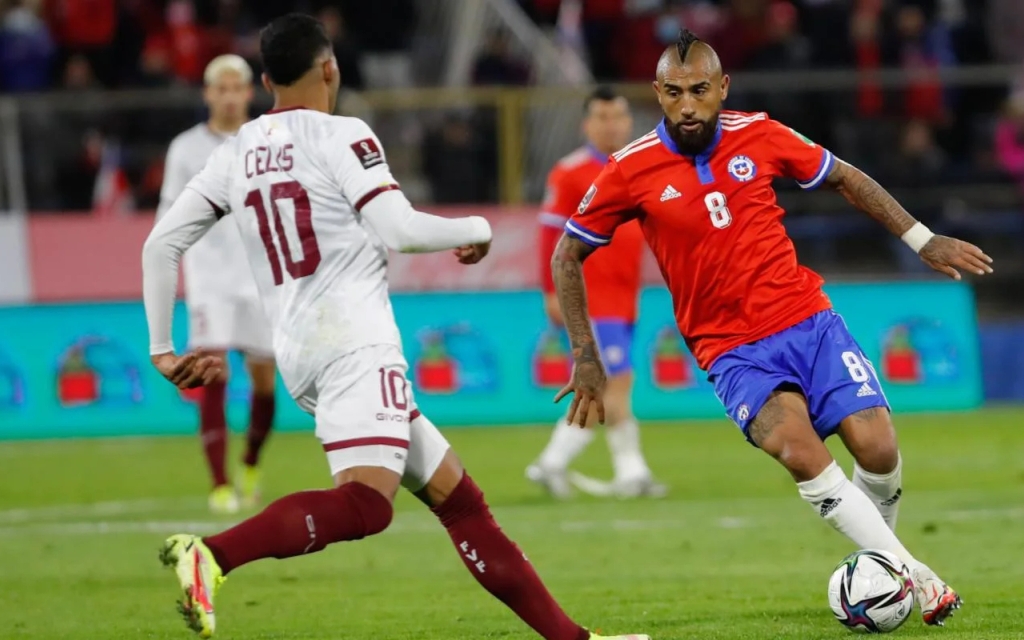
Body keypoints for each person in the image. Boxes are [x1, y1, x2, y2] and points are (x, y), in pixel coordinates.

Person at [142, 14, 647, 640]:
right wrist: (477, 228)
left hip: (300, 348)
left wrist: (162, 350)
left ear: (265, 81)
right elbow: (400, 229)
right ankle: (212, 555)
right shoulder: (343, 134)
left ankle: (574, 639)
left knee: (460, 501)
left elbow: (160, 245)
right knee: (366, 505)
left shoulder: (235, 151)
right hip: (355, 343)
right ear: (330, 68)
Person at [551, 30, 992, 627]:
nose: (687, 105)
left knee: (879, 449)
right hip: (729, 348)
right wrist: (584, 353)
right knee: (797, 448)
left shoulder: (759, 133)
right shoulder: (630, 168)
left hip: (806, 320)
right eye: (675, 93)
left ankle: (880, 565)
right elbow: (567, 254)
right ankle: (916, 576)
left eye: (700, 90)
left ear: (722, 88)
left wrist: (922, 238)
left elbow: (845, 177)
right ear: (657, 93)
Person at [528, 86, 664, 499]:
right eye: (602, 118)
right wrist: (551, 291)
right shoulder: (569, 172)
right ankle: (632, 473)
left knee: (604, 385)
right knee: (618, 380)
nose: (611, 125)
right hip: (590, 299)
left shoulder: (639, 166)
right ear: (586, 125)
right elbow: (549, 235)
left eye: (618, 117)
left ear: (628, 121)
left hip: (624, 298)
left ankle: (552, 464)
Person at [157, 54, 276, 515]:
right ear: (208, 93)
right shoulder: (186, 149)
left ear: (249, 92)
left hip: (262, 277)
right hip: (209, 279)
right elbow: (169, 215)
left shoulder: (268, 140)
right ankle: (221, 484)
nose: (228, 97)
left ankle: (251, 462)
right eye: (220, 89)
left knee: (264, 380)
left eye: (236, 88)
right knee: (214, 373)